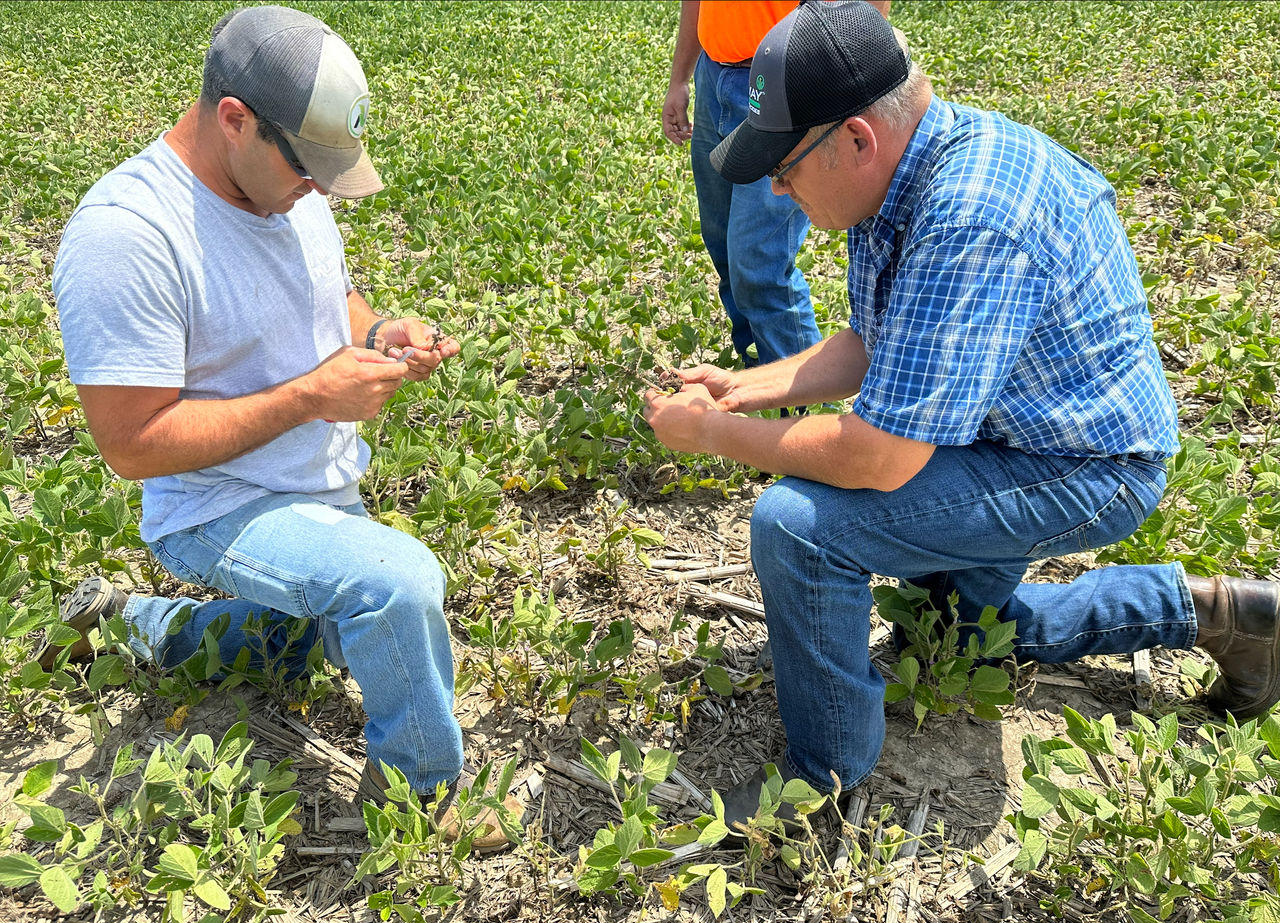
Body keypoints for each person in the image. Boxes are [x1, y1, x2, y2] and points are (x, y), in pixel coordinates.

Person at [643, 0, 1280, 830]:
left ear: (857, 139)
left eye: (786, 164)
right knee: (961, 634)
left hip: (1082, 466)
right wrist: (742, 388)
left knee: (797, 526)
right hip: (1005, 431)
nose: (775, 185)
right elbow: (878, 340)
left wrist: (716, 437)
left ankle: (821, 779)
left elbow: (880, 459)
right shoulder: (906, 169)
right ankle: (1222, 613)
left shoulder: (970, 215)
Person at [49, 5, 522, 851]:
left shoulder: (284, 183)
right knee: (397, 585)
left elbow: (332, 299)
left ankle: (128, 623)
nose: (320, 187)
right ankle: (420, 795)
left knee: (294, 643)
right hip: (215, 504)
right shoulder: (127, 234)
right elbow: (131, 444)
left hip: (316, 483)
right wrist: (310, 397)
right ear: (235, 120)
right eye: (310, 168)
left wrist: (378, 336)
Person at [661, 0, 890, 370]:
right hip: (713, 74)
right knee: (723, 247)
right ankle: (756, 382)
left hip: (787, 78)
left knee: (759, 262)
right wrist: (680, 78)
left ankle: (799, 408)